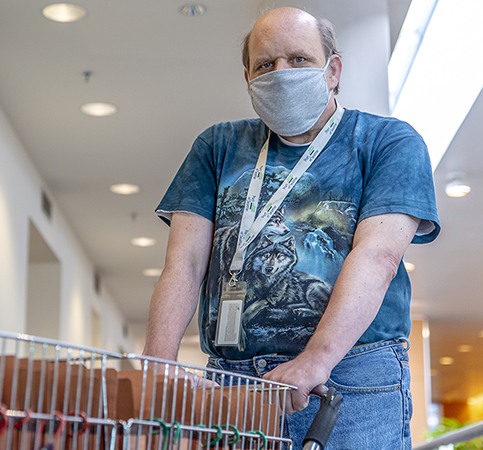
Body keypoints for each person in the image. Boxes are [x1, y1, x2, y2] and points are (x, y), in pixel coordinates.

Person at [143, 7, 440, 449]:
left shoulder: (387, 142)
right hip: (234, 387)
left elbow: (378, 256)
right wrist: (157, 369)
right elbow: (184, 264)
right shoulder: (218, 147)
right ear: (248, 78)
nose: (280, 74)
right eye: (266, 64)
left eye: (298, 59)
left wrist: (316, 360)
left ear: (333, 69)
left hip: (349, 380)